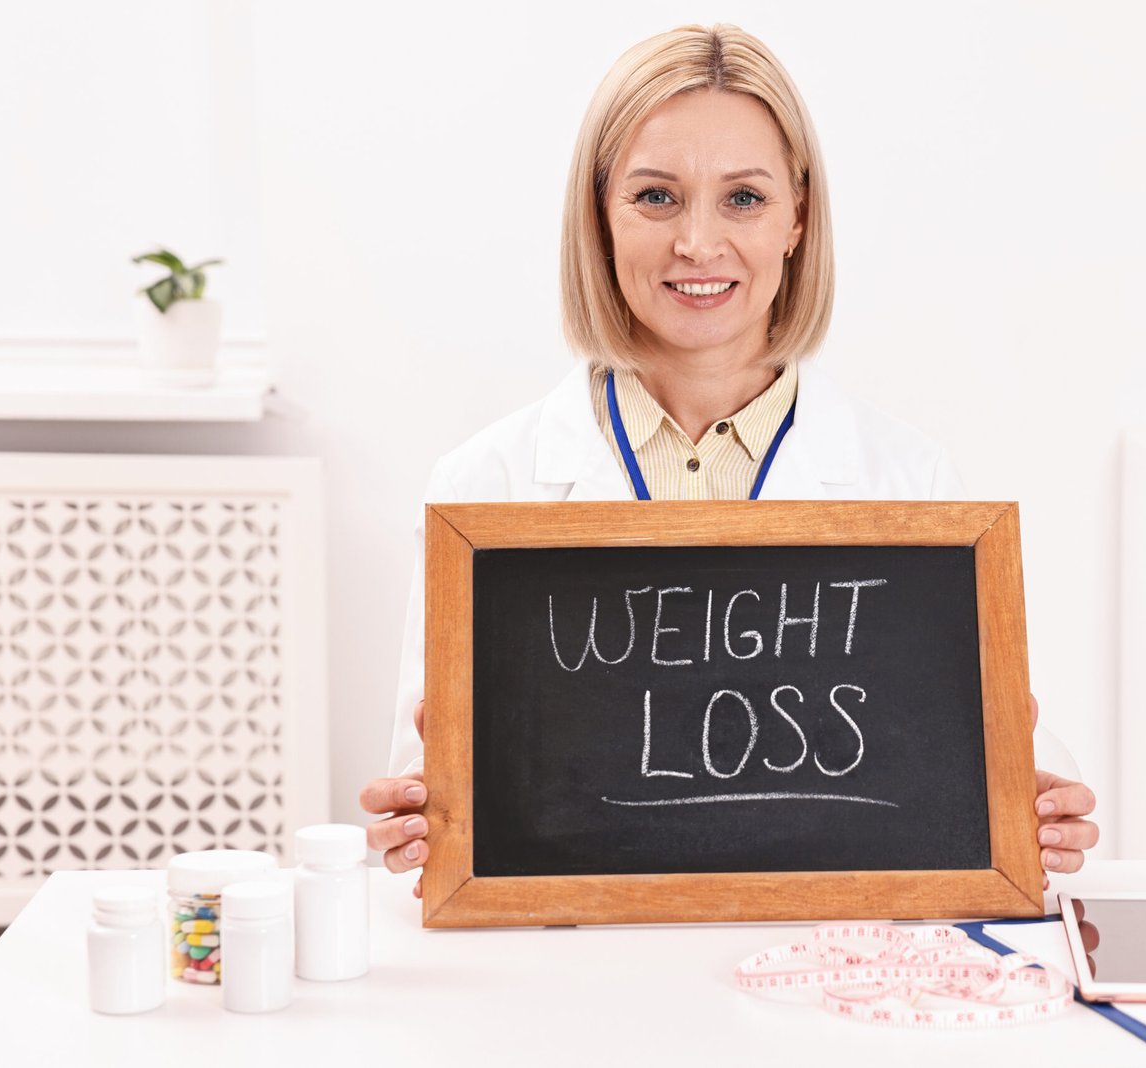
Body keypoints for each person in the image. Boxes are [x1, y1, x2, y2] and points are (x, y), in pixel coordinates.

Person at [358, 24, 1098, 899]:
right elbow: (427, 804)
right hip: (577, 981)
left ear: (798, 219)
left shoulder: (914, 487)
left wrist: (1036, 815)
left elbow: (993, 785)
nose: (698, 244)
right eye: (656, 197)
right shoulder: (482, 489)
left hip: (819, 979)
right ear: (599, 218)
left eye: (743, 198)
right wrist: (409, 828)